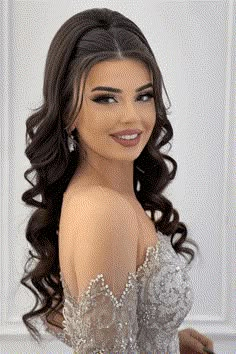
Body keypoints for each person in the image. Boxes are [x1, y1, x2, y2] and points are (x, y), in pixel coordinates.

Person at [20, 8, 215, 353]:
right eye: (106, 98)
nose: (132, 118)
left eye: (143, 96)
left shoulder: (101, 196)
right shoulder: (105, 212)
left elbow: (92, 329)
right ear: (67, 111)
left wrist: (168, 341)